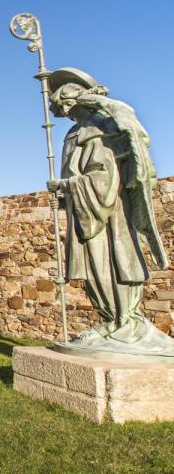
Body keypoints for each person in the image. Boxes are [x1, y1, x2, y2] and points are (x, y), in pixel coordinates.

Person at [46, 67, 172, 355]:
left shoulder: (98, 129)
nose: (60, 111)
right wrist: (64, 197)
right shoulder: (75, 132)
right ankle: (110, 320)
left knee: (113, 263)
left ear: (72, 102)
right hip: (87, 210)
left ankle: (125, 321)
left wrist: (65, 185)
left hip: (110, 216)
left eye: (61, 106)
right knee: (94, 269)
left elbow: (104, 177)